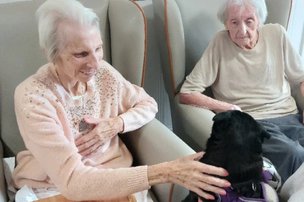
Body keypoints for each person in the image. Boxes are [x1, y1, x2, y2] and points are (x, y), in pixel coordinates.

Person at [12, 0, 231, 201]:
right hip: (55, 186)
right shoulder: (33, 97)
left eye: (98, 49)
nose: (95, 63)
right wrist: (166, 171)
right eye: (81, 54)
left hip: (114, 176)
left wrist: (115, 124)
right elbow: (73, 182)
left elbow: (148, 104)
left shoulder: (103, 73)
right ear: (52, 53)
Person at [179, 0, 304, 186]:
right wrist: (228, 107)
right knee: (294, 153)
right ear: (225, 23)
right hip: (254, 123)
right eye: (234, 22)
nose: (242, 30)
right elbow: (187, 92)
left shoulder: (277, 34)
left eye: (249, 21)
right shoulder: (219, 43)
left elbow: (301, 78)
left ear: (259, 20)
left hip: (290, 115)